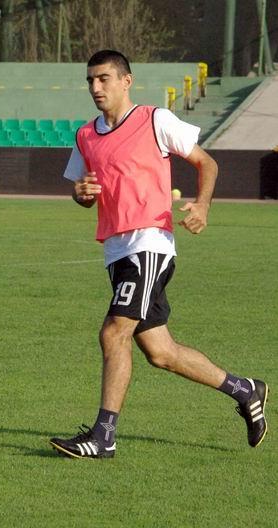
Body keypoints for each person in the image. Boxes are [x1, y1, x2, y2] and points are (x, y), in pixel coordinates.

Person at [50, 50, 268, 459]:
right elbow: (83, 192)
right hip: (116, 250)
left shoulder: (155, 120)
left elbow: (207, 163)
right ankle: (246, 390)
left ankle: (103, 437)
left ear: (126, 81)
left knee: (114, 332)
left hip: (149, 244)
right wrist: (81, 194)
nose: (96, 87)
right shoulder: (85, 135)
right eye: (90, 80)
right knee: (160, 353)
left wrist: (202, 205)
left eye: (104, 78)